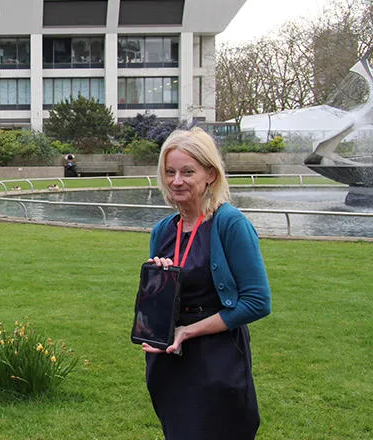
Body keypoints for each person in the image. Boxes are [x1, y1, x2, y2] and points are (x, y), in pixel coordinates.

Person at [141, 127, 271, 439]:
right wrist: (155, 279)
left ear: (210, 174)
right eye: (170, 172)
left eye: (188, 171)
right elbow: (157, 302)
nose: (176, 181)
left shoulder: (230, 224)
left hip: (217, 358)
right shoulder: (163, 230)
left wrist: (189, 330)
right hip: (170, 358)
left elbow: (256, 302)